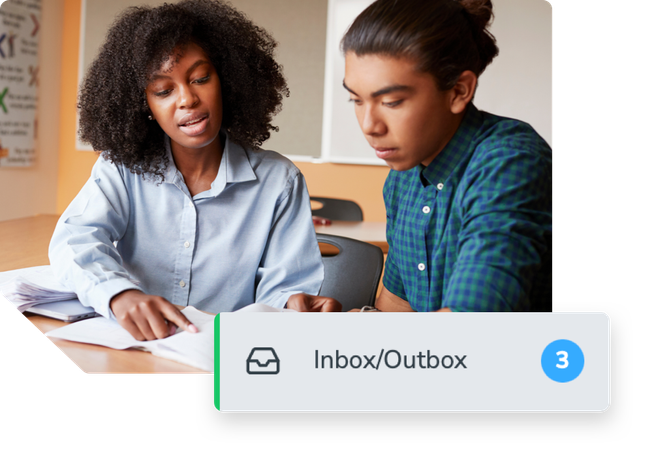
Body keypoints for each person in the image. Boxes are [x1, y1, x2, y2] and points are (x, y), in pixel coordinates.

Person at [49, 0, 340, 341]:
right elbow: (75, 240)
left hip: (225, 358)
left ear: (227, 81)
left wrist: (293, 305)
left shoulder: (279, 181)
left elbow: (283, 291)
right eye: (163, 90)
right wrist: (118, 294)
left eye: (200, 78)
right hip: (136, 351)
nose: (187, 99)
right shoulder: (122, 169)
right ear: (144, 105)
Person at [341, 0, 553, 312]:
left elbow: (470, 326)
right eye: (355, 100)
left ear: (458, 91)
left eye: (392, 101)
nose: (369, 125)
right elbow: (396, 307)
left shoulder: (510, 163)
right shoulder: (402, 179)